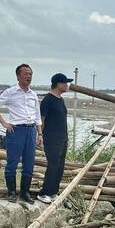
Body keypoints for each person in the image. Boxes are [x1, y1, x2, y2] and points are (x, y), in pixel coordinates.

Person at [0, 64, 41, 203]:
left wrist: (40, 134)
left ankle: (25, 193)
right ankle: (11, 192)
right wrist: (4, 123)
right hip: (16, 130)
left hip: (31, 131)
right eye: (25, 74)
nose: (28, 76)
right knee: (12, 162)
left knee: (29, 163)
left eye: (30, 74)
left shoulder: (33, 94)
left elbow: (37, 115)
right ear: (18, 76)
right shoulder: (11, 92)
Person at [37, 73, 73, 203]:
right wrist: (40, 135)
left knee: (60, 166)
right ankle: (44, 193)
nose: (67, 85)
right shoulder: (48, 99)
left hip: (62, 137)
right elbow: (42, 119)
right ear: (58, 84)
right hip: (51, 138)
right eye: (65, 82)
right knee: (53, 165)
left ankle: (53, 192)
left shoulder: (60, 99)